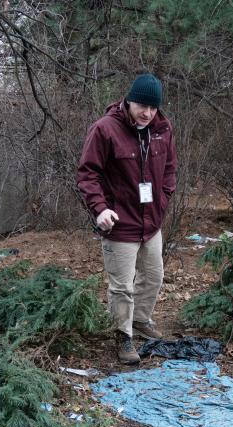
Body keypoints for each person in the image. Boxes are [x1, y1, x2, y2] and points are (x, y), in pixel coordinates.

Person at [76, 73, 177, 364]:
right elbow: (87, 173)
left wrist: (163, 198)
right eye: (142, 106)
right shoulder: (105, 129)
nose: (147, 113)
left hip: (151, 222)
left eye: (153, 107)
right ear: (129, 100)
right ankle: (123, 335)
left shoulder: (162, 129)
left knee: (154, 276)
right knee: (122, 286)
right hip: (120, 223)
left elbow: (170, 169)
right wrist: (100, 209)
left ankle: (141, 320)